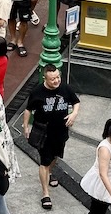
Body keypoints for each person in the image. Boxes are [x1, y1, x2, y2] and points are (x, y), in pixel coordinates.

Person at [24, 63, 80, 211]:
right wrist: (26, 126)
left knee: (55, 156)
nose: (56, 81)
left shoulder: (65, 88)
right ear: (45, 78)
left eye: (57, 77)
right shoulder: (37, 92)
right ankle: (45, 194)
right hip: (44, 132)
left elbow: (76, 102)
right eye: (52, 79)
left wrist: (74, 114)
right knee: (44, 160)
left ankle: (49, 172)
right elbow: (28, 109)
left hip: (61, 131)